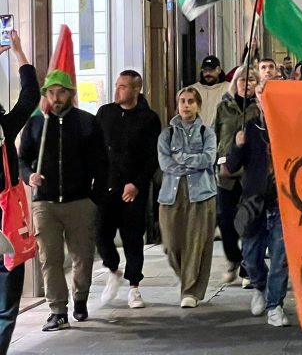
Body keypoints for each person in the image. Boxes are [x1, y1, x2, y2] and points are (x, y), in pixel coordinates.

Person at [18, 53, 108, 332]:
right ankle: (58, 310)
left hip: (80, 201)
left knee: (82, 257)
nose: (56, 98)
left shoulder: (86, 122)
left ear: (70, 94)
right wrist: (28, 176)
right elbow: (22, 159)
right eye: (51, 92)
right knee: (50, 259)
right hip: (44, 203)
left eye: (61, 92)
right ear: (46, 94)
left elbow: (102, 162)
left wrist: (95, 197)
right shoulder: (36, 124)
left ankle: (80, 297)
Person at [96, 70, 162, 309]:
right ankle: (113, 268)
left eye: (123, 86)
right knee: (101, 234)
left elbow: (152, 157)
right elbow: (95, 147)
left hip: (134, 188)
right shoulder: (105, 113)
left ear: (137, 89)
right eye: (117, 85)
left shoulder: (149, 118)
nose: (118, 90)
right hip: (106, 186)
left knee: (133, 238)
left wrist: (137, 184)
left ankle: (134, 286)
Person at [227, 80, 290, 327]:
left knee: (279, 258)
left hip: (281, 203)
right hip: (254, 204)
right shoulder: (250, 129)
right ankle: (260, 287)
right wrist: (237, 145)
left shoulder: (288, 128)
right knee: (251, 258)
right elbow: (232, 166)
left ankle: (275, 305)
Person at [0, 31, 44, 351]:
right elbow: (30, 96)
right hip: (6, 221)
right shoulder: (4, 128)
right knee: (6, 298)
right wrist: (18, 53)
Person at [157, 87, 218, 308]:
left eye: (191, 101)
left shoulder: (207, 133)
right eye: (182, 101)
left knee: (196, 243)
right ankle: (186, 278)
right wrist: (192, 162)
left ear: (198, 105)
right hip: (171, 195)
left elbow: (208, 159)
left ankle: (190, 291)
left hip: (201, 194)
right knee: (171, 244)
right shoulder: (167, 134)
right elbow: (165, 164)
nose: (186, 105)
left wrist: (181, 158)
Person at [214, 69, 261, 285]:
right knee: (226, 222)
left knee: (250, 222)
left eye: (251, 79)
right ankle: (233, 258)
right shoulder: (224, 108)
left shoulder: (260, 108)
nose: (246, 83)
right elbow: (216, 136)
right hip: (227, 174)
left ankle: (247, 267)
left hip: (251, 174)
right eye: (242, 79)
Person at [189, 55, 228, 128]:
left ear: (218, 70)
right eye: (205, 71)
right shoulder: (193, 90)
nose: (208, 74)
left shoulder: (228, 88)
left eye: (211, 70)